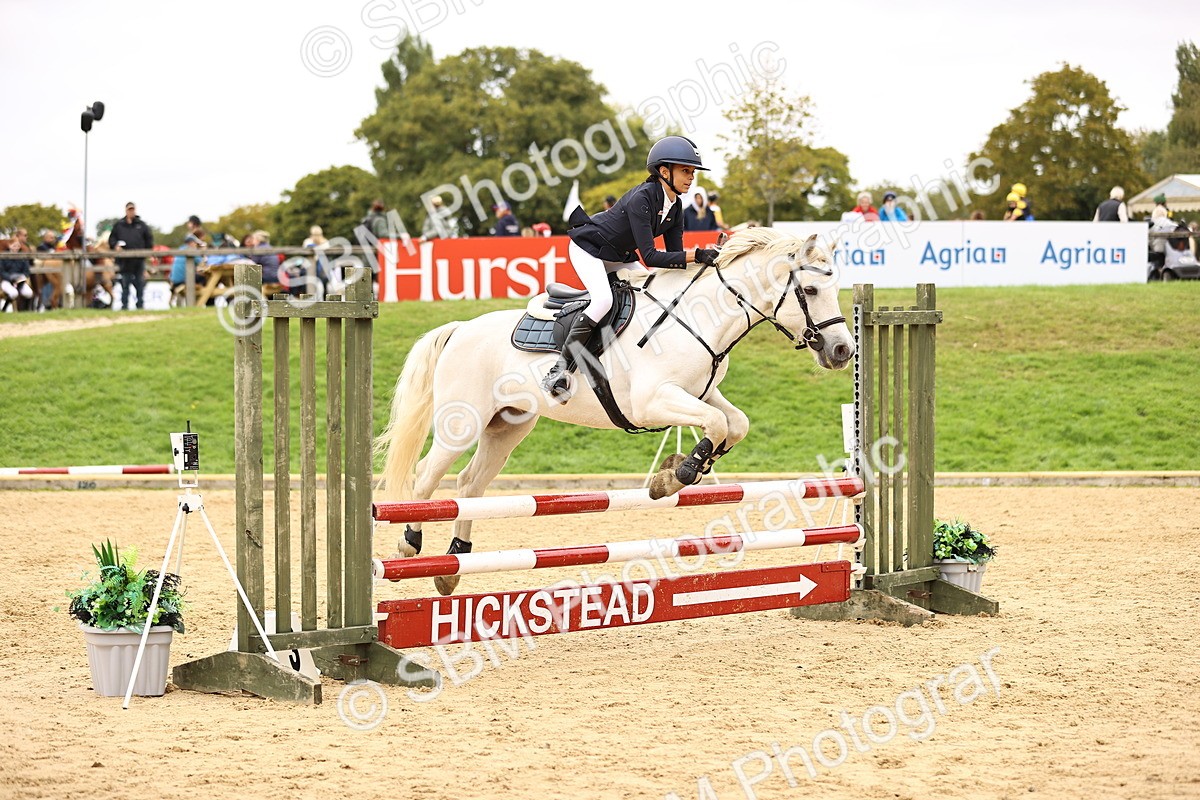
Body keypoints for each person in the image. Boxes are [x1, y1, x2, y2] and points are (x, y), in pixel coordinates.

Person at [543, 135, 717, 402]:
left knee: (650, 290)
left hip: (618, 253)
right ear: (663, 171)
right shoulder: (643, 198)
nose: (691, 177)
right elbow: (651, 256)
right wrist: (697, 254)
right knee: (602, 300)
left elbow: (673, 258)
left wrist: (703, 262)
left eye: (692, 172)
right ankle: (559, 369)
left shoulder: (676, 206)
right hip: (588, 247)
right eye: (685, 170)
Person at [109, 201, 154, 310]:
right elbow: (112, 240)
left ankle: (140, 305)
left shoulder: (142, 225)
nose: (131, 211)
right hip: (125, 261)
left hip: (139, 260)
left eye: (132, 209)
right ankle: (124, 306)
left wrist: (146, 253)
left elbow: (149, 240)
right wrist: (115, 246)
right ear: (126, 211)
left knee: (140, 284)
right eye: (129, 209)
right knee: (125, 285)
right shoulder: (119, 225)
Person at [1, 229, 35, 312]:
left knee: (29, 293)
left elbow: (26, 271)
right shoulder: (3, 256)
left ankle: (26, 311)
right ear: (9, 245)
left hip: (20, 281)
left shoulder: (22, 257)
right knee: (13, 293)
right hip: (7, 281)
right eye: (14, 245)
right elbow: (1, 271)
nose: (16, 248)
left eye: (17, 246)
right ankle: (4, 310)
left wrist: (22, 278)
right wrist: (11, 279)